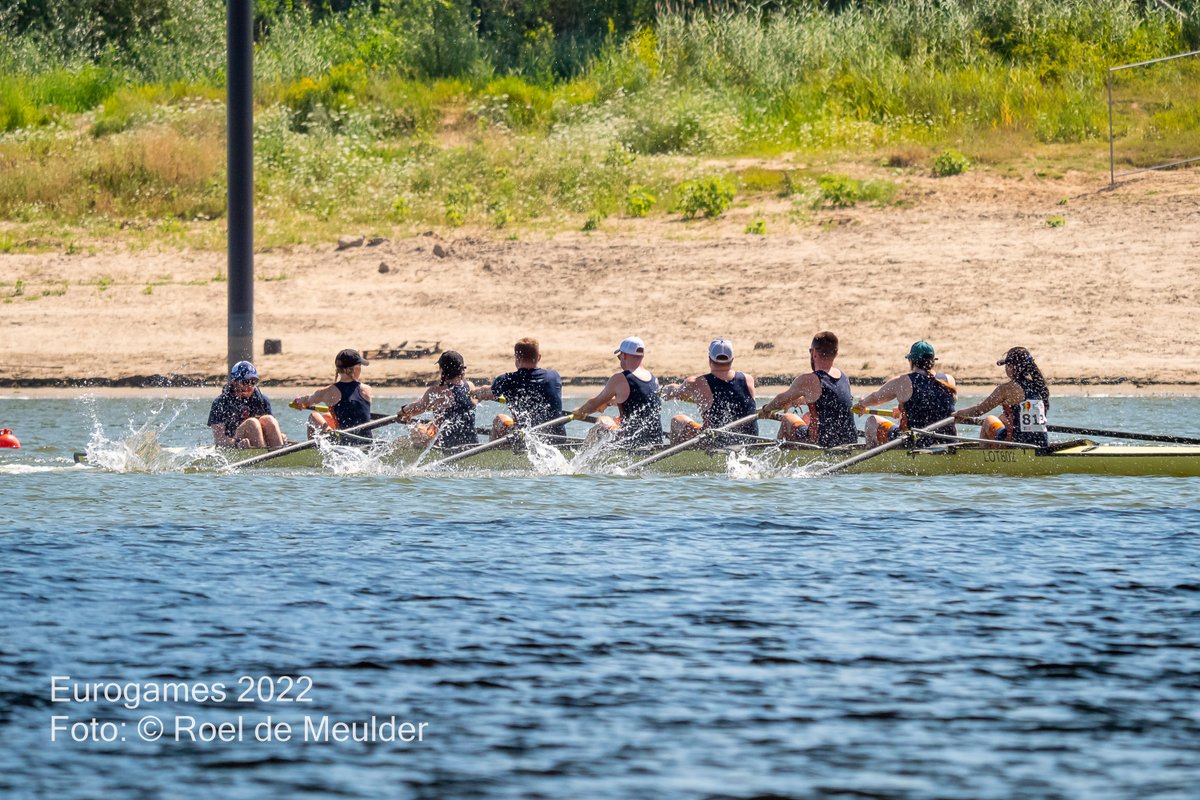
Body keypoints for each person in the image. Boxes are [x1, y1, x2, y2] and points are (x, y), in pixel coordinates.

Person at [757, 330, 858, 448]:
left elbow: (780, 399)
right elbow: (830, 401)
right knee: (807, 416)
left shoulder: (809, 380)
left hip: (823, 443)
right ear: (836, 354)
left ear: (814, 353)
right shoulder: (844, 377)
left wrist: (766, 409)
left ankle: (778, 456)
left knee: (788, 418)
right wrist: (797, 401)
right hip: (850, 440)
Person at [856, 340, 958, 445]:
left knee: (872, 421)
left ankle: (875, 454)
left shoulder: (903, 381)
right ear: (933, 362)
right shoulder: (949, 380)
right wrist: (903, 409)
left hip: (915, 442)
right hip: (949, 441)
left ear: (911, 360)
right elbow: (933, 405)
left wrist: (862, 404)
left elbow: (876, 398)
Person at [568, 336, 663, 448]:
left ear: (624, 355)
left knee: (602, 421)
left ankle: (582, 455)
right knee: (617, 420)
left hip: (632, 443)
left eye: (619, 356)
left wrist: (580, 411)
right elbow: (637, 400)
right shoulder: (653, 378)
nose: (620, 360)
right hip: (656, 441)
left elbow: (594, 404)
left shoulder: (620, 379)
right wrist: (608, 402)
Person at [661, 338, 758, 445]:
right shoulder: (748, 379)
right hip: (750, 442)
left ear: (709, 360)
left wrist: (662, 391)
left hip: (716, 442)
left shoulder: (697, 382)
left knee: (677, 420)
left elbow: (672, 392)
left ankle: (678, 454)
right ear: (732, 360)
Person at [954, 347, 1050, 447]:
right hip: (1042, 444)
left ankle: (984, 454)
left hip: (1019, 445)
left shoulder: (1007, 389)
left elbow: (979, 410)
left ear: (1012, 366)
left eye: (1007, 365)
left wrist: (958, 413)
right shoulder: (1038, 386)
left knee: (989, 420)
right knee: (1002, 418)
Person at [472, 338, 565, 440]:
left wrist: (473, 392)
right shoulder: (554, 376)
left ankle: (496, 450)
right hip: (558, 438)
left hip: (527, 439)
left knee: (499, 420)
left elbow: (486, 394)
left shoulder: (507, 380)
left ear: (517, 358)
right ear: (539, 357)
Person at [398, 351, 478, 449]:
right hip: (472, 445)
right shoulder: (470, 386)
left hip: (447, 448)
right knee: (432, 425)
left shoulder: (437, 391)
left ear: (442, 369)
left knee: (417, 428)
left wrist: (402, 412)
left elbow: (417, 408)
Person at [292, 349, 373, 441]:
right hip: (368, 442)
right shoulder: (367, 390)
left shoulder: (328, 392)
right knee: (328, 416)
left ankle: (322, 441)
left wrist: (298, 400)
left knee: (313, 416)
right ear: (355, 369)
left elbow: (308, 400)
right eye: (360, 366)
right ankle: (330, 432)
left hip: (345, 443)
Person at [207, 361, 285, 449]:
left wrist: (280, 435)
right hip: (234, 443)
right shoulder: (220, 403)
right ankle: (262, 454)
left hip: (260, 441)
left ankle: (279, 450)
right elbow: (219, 440)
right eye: (246, 381)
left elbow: (269, 429)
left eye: (253, 382)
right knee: (252, 423)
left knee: (269, 419)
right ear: (235, 382)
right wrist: (236, 444)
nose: (250, 386)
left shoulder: (262, 400)